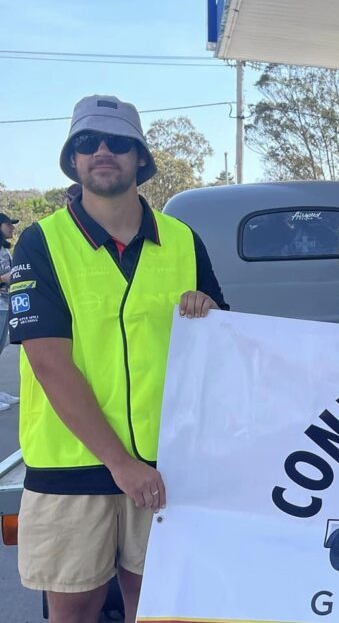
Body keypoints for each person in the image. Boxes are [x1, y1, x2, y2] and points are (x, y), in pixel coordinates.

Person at [11, 95, 228, 623]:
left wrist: (208, 311)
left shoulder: (182, 240)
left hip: (166, 464)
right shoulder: (41, 242)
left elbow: (223, 341)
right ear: (73, 158)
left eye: (118, 143)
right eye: (88, 142)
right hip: (72, 467)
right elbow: (48, 363)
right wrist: (120, 463)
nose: (102, 151)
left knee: (156, 608)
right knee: (74, 612)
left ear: (140, 158)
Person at [0, 212, 20, 410]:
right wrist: (3, 279)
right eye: (8, 224)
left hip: (6, 304)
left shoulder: (5, 250)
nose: (12, 228)